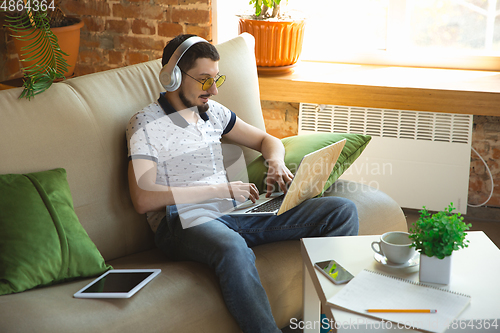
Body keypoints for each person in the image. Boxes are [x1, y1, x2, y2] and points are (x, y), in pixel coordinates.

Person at [126, 34, 359, 333]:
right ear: (172, 77)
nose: (214, 90)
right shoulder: (145, 123)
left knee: (341, 212)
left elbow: (267, 140)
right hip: (183, 221)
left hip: (238, 214)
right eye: (204, 80)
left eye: (216, 79)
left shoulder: (214, 114)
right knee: (233, 248)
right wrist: (221, 190)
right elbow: (142, 198)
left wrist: (275, 163)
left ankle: (323, 323)